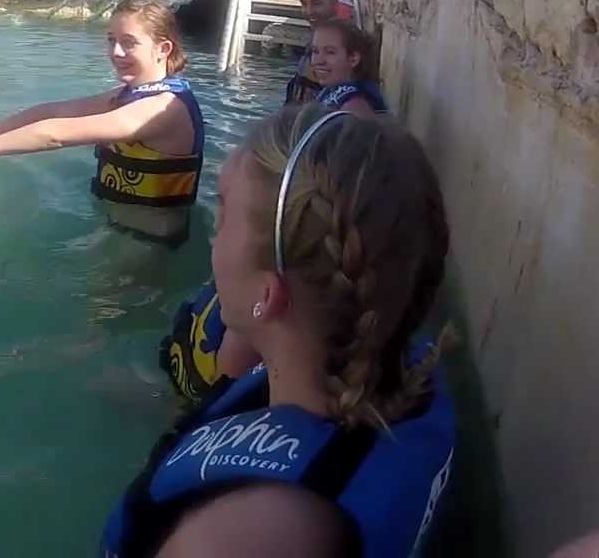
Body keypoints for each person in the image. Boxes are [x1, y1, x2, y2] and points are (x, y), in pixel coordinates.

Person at [99, 104, 457, 558]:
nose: (213, 236)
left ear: (269, 297)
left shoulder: (241, 539)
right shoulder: (399, 357)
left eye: (223, 212)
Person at [0, 0, 205, 245]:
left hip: (149, 244)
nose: (115, 52)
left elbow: (54, 134)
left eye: (128, 43)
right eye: (111, 40)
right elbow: (56, 111)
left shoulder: (164, 108)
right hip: (120, 226)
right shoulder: (130, 95)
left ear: (163, 49)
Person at [289, 0, 351, 106]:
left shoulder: (342, 44)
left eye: (316, 4)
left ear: (334, 3)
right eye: (304, 4)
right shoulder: (317, 37)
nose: (308, 11)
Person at [308, 20, 388, 116]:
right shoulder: (333, 91)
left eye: (330, 52)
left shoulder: (354, 107)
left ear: (353, 59)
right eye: (315, 51)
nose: (319, 61)